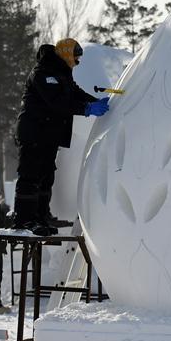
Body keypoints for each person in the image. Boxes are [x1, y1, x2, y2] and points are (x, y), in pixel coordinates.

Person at [12, 38, 109, 235]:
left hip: (49, 135)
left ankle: (40, 216)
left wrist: (96, 101)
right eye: (76, 58)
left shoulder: (62, 74)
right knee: (30, 175)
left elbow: (75, 93)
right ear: (65, 54)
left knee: (46, 175)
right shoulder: (42, 73)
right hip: (34, 132)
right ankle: (24, 220)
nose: (77, 62)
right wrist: (88, 109)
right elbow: (57, 102)